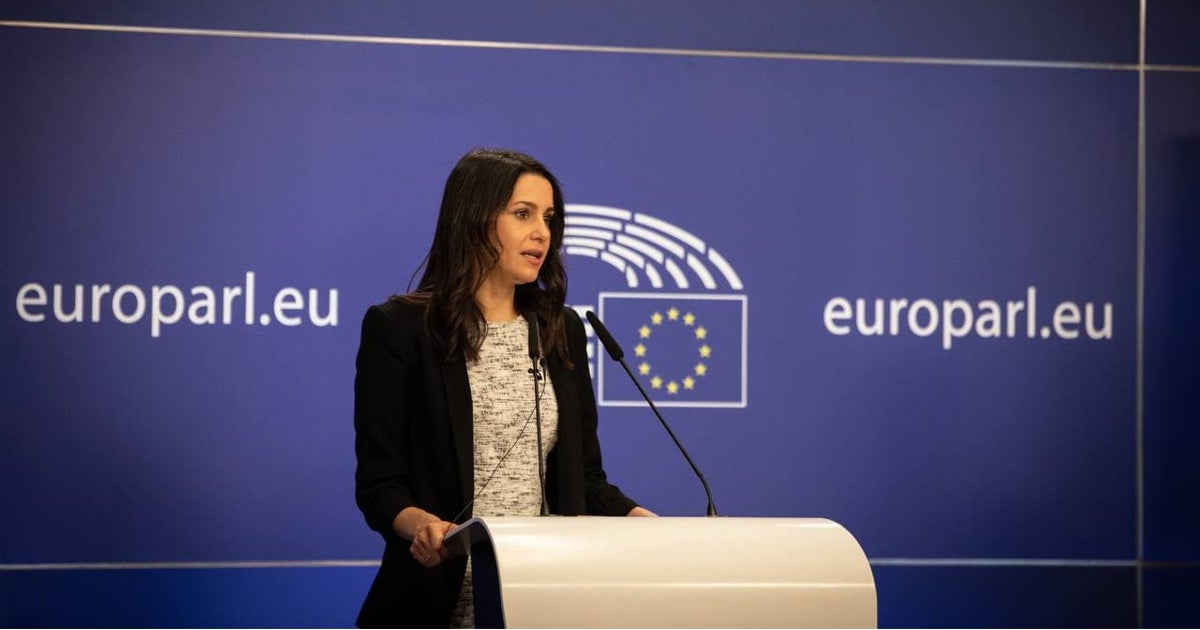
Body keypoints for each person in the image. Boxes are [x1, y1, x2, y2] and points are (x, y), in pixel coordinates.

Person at [354, 148, 654, 628]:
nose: (542, 233)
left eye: (549, 218)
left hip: (543, 600)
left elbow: (585, 480)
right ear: (472, 219)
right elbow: (379, 485)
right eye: (523, 214)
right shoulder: (401, 328)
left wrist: (649, 525)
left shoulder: (560, 331)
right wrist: (421, 526)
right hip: (436, 602)